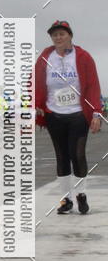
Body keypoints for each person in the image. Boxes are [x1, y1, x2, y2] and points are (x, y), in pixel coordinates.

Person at [35, 20, 102, 214]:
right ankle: (66, 200)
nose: (58, 38)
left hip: (78, 114)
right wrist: (35, 104)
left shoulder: (83, 57)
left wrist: (96, 113)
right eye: (54, 35)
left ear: (70, 36)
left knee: (77, 154)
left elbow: (93, 85)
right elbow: (36, 81)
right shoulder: (45, 57)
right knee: (62, 156)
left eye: (61, 34)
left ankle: (81, 194)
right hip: (54, 114)